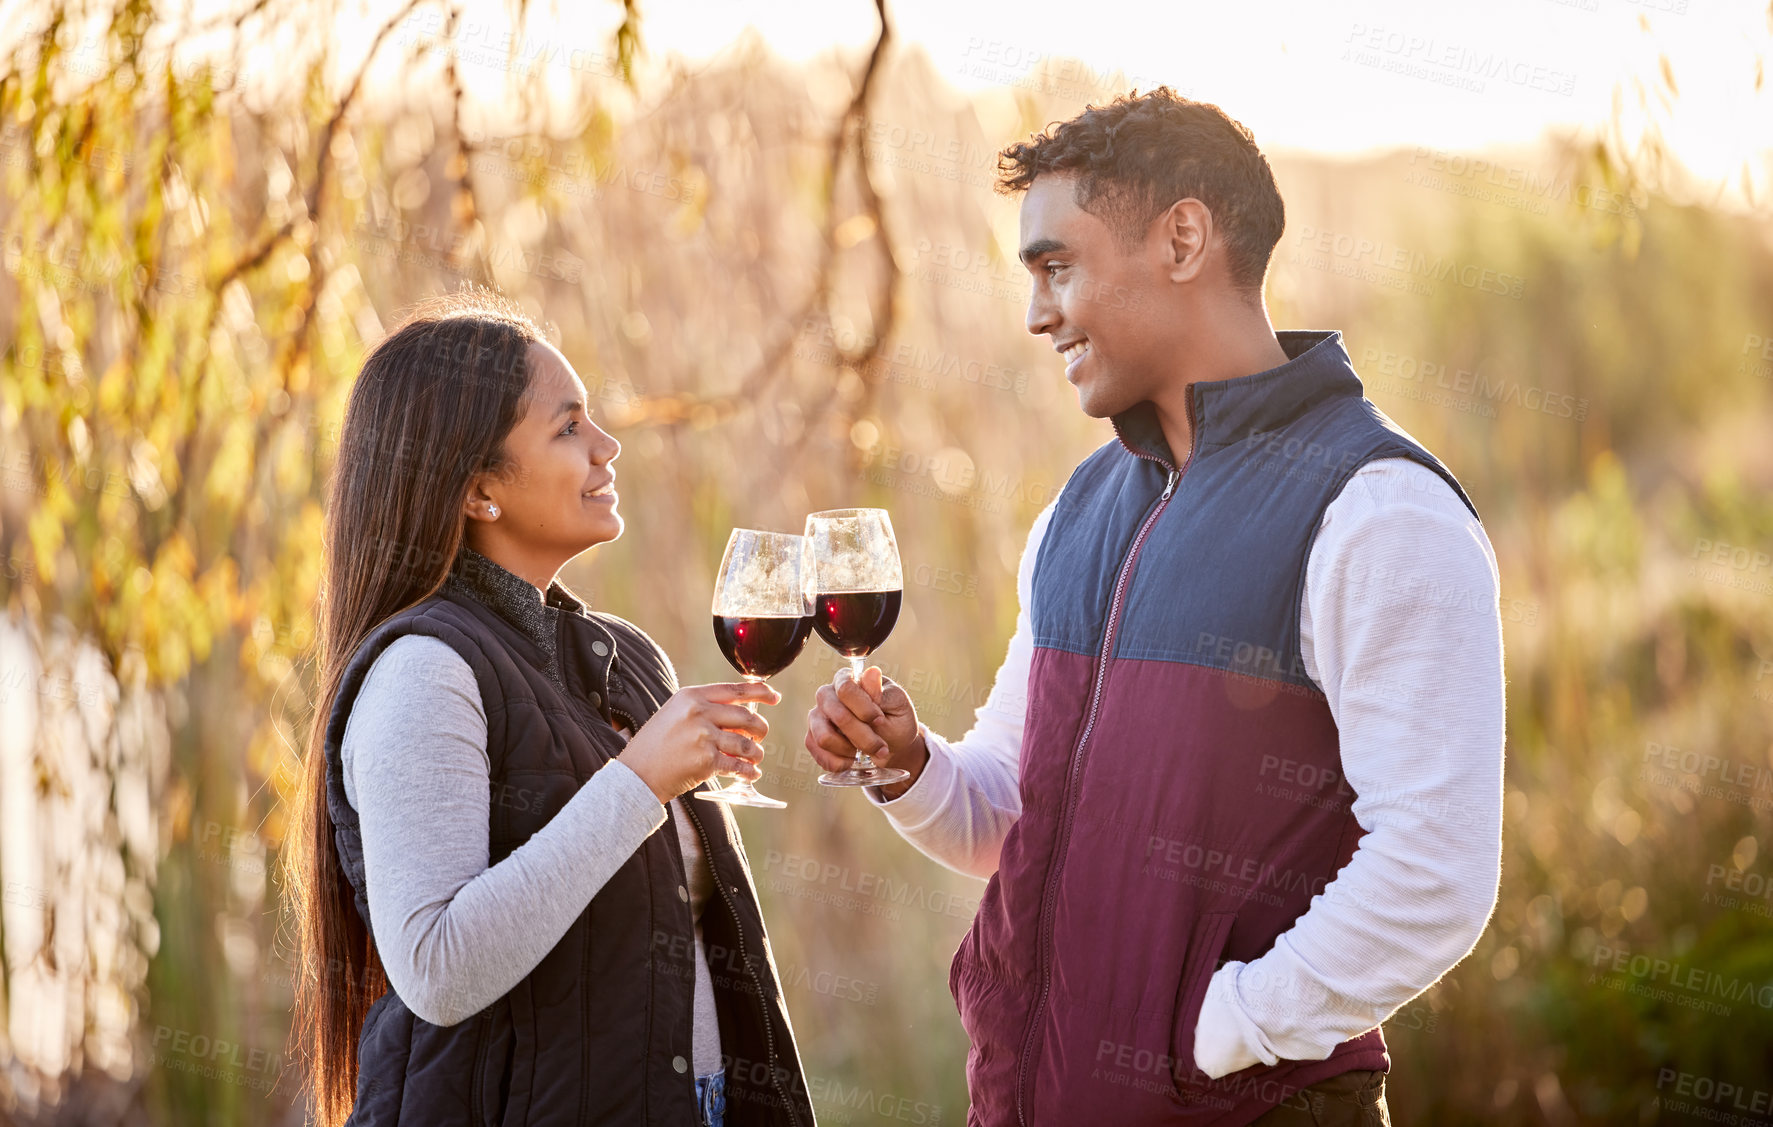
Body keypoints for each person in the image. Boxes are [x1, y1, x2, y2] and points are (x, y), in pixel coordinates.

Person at [805, 89, 1504, 1126]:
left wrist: (1226, 1027)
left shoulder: (1377, 510)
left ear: (1183, 237)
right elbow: (1010, 811)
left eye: (1057, 266)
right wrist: (907, 767)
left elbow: (1435, 871)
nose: (1038, 313)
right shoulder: (1078, 512)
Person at [284, 292, 816, 1127]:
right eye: (568, 428)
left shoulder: (624, 657)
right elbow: (438, 964)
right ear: (478, 490)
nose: (607, 448)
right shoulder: (423, 672)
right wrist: (640, 782)